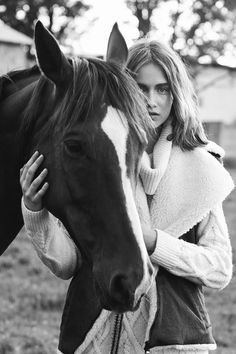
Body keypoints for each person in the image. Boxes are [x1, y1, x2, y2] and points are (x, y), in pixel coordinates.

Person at [20, 38, 234, 354]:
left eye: (163, 89)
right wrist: (35, 211)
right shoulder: (101, 164)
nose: (152, 100)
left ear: (176, 95)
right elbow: (67, 265)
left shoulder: (201, 167)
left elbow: (218, 269)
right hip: (90, 341)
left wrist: (153, 241)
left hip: (173, 345)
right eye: (140, 87)